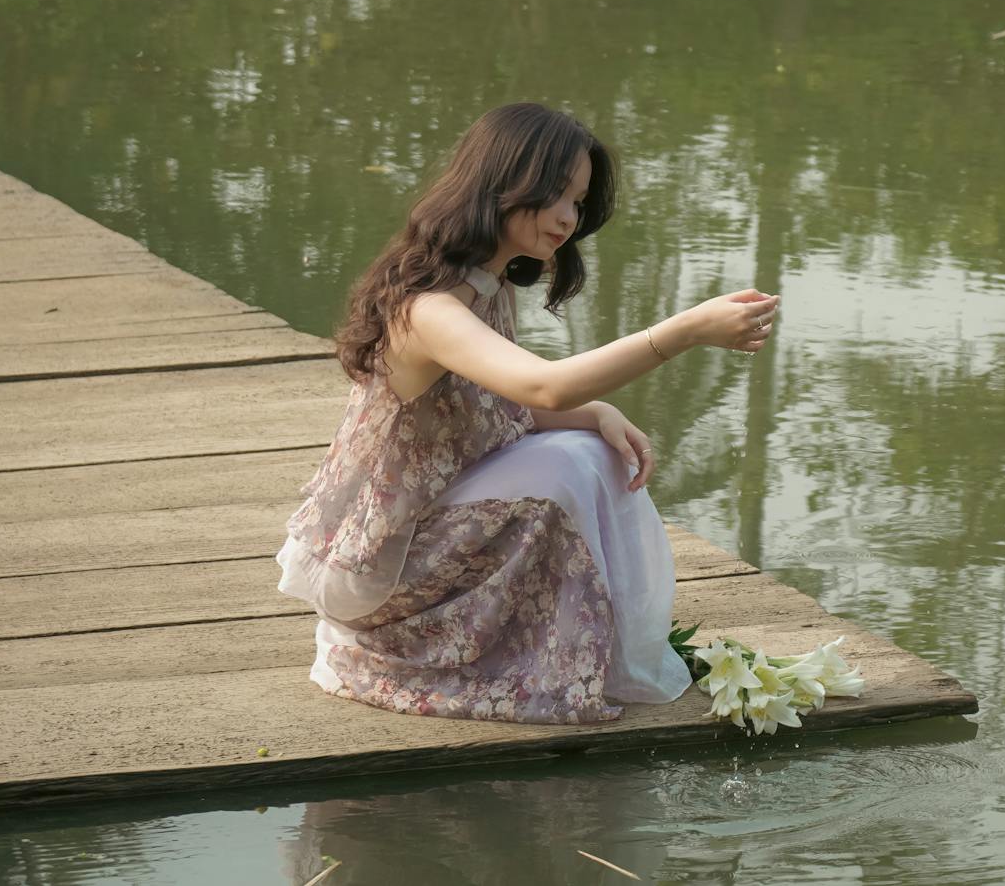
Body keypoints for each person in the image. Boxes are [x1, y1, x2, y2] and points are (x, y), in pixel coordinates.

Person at [274, 102, 778, 724]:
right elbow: (541, 389)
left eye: (578, 200)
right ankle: (491, 654)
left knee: (587, 452)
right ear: (502, 183)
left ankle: (572, 653)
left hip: (425, 528)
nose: (568, 218)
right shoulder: (429, 309)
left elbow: (493, 409)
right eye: (555, 196)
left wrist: (596, 413)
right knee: (566, 468)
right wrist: (684, 331)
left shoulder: (486, 285)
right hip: (385, 568)